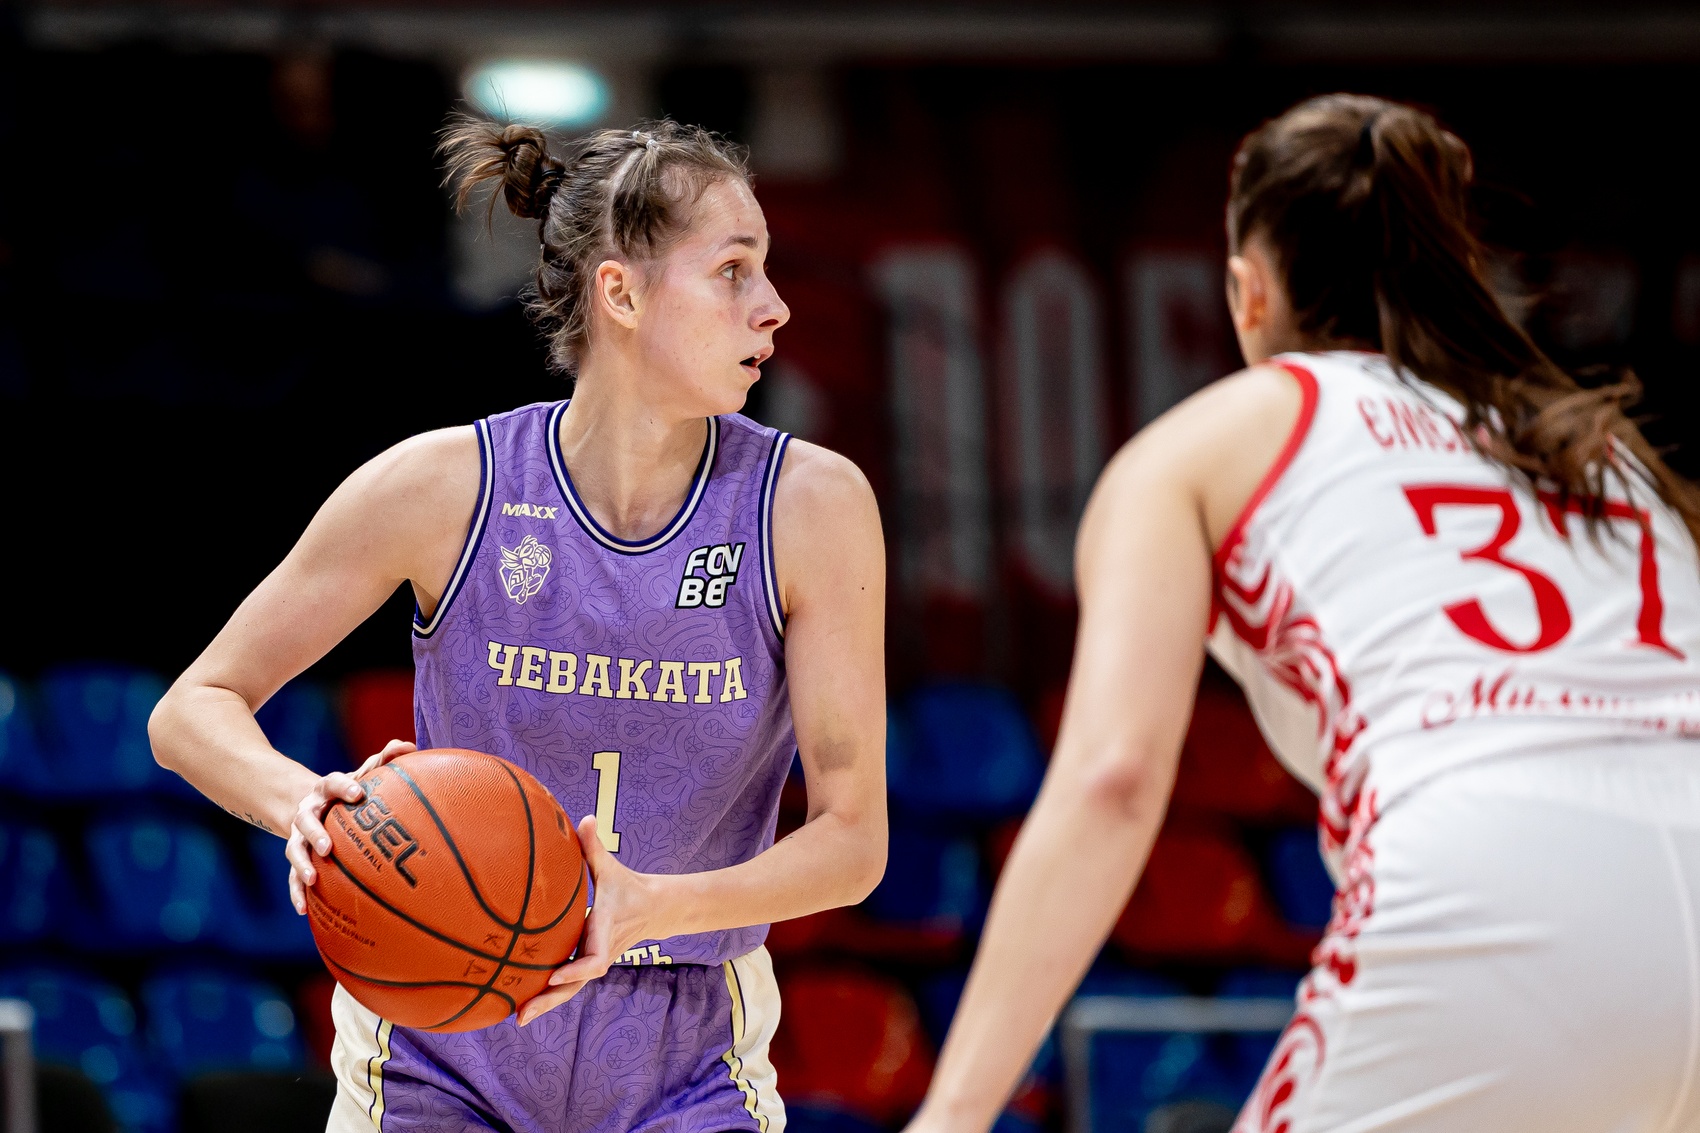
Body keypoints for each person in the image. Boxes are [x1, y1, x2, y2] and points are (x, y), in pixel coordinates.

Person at [903, 93, 1700, 1133]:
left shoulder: (1206, 441)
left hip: (1494, 882)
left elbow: (1112, 775)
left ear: (1248, 292)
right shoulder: (1600, 449)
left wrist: (951, 1114)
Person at [148, 117, 889, 1133]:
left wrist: (653, 903)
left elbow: (853, 840)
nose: (773, 305)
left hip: (684, 1050)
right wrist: (305, 804)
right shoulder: (444, 486)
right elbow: (193, 708)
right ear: (620, 293)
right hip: (438, 1045)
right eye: (732, 270)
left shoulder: (810, 505)